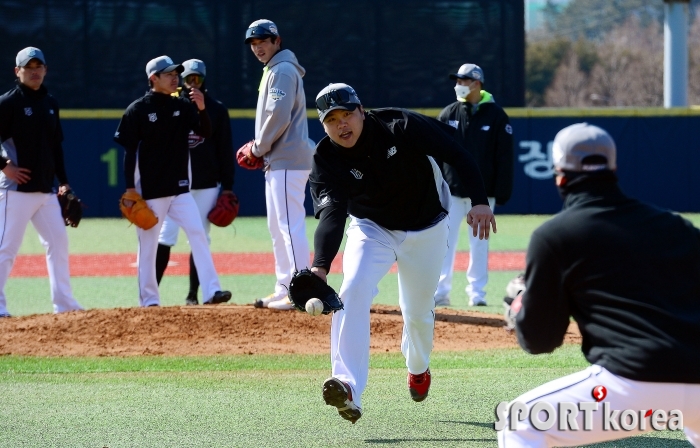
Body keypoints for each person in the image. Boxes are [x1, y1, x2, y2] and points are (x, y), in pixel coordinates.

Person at [498, 123, 700, 447]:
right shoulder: (677, 226)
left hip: (634, 384)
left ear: (559, 175)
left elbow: (540, 340)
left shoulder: (554, 236)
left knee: (519, 421)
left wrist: (521, 308)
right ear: (614, 169)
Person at [309, 83, 496, 423]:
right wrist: (320, 267)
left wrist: (479, 201)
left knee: (418, 313)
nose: (342, 125)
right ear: (323, 125)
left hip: (427, 227)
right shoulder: (326, 160)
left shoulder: (401, 126)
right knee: (352, 289)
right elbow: (332, 214)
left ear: (361, 111)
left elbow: (457, 153)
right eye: (331, 119)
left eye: (347, 114)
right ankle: (348, 385)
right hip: (371, 228)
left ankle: (418, 367)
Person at [114, 55, 231, 308]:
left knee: (198, 234)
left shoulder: (183, 106)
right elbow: (129, 152)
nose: (174, 77)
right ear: (153, 78)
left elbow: (205, 132)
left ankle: (212, 291)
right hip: (151, 192)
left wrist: (200, 109)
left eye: (175, 73)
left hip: (180, 190)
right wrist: (130, 189)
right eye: (168, 74)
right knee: (148, 247)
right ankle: (149, 300)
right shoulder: (138, 110)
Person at [0, 46, 84, 318]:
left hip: (46, 191)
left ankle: (65, 304)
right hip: (16, 191)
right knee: (6, 249)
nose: (34, 71)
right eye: (29, 67)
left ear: (45, 70)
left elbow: (55, 147)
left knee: (58, 243)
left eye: (39, 66)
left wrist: (65, 182)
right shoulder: (8, 103)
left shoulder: (50, 103)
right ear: (18, 71)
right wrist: (4, 167)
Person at [244, 19, 314, 311]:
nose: (258, 47)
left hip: (288, 159)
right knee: (278, 227)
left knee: (289, 226)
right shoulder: (274, 69)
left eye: (263, 41)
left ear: (277, 41)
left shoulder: (283, 70)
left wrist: (257, 147)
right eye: (253, 43)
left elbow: (279, 116)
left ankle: (302, 291)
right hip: (279, 160)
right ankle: (285, 286)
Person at [154, 59, 235, 306]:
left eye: (197, 79)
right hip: (174, 186)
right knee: (165, 237)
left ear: (204, 80)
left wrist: (228, 187)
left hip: (207, 185)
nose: (192, 83)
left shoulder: (216, 110)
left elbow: (224, 150)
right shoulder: (173, 107)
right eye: (188, 78)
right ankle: (150, 296)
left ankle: (193, 296)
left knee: (199, 237)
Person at [434, 63, 513, 307]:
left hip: (483, 195)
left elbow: (505, 157)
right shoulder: (449, 113)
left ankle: (477, 294)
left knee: (479, 244)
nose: (458, 85)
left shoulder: (497, 116)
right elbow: (436, 153)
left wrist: (499, 193)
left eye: (463, 81)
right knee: (445, 242)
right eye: (457, 81)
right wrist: (436, 188)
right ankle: (440, 292)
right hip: (452, 191)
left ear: (477, 83)